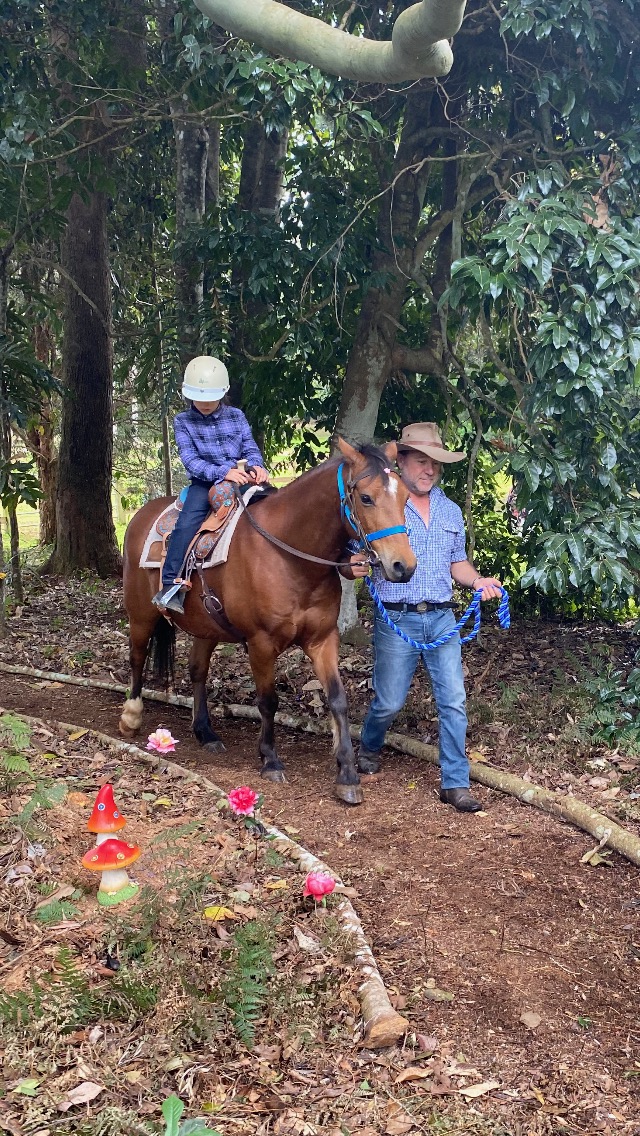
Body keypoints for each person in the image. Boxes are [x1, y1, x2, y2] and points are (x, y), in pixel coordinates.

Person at [348, 422, 502, 813]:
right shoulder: (382, 501)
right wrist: (351, 568)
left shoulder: (449, 510)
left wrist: (479, 581)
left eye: (434, 463)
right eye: (420, 461)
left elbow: (457, 564)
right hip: (397, 618)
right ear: (400, 462)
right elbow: (351, 556)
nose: (428, 470)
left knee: (453, 700)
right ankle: (368, 745)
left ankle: (455, 782)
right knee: (389, 702)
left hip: (442, 618)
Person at [153, 356, 269, 615]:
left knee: (275, 508)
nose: (205, 403)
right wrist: (223, 473)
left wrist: (257, 466)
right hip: (204, 483)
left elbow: (249, 447)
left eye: (211, 397)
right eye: (199, 397)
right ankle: (170, 585)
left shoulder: (236, 416)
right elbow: (191, 461)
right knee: (186, 524)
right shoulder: (183, 421)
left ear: (223, 393)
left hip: (243, 478)